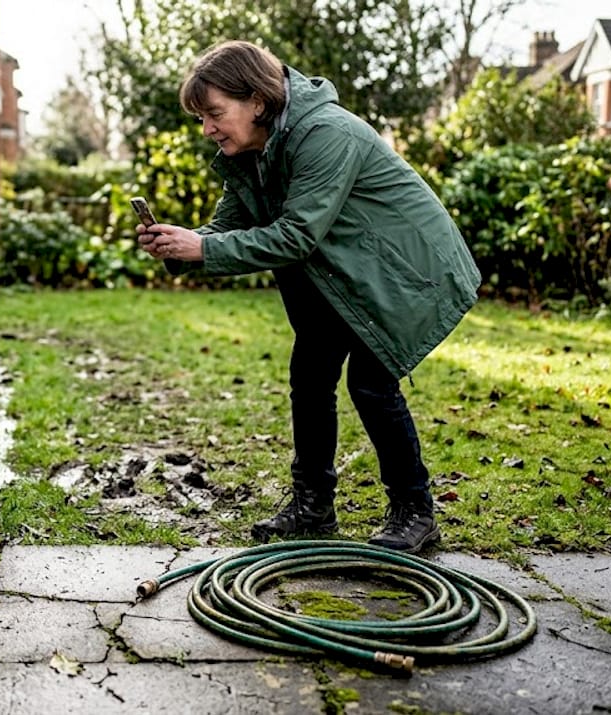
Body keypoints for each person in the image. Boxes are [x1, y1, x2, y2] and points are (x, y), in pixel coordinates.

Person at [136, 40, 481, 553]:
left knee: (371, 384)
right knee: (310, 374)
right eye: (202, 118)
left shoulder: (326, 133)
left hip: (406, 273)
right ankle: (313, 506)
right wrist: (179, 245)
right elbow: (227, 230)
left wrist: (203, 247)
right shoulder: (251, 152)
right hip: (341, 276)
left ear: (256, 100)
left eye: (214, 114)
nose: (207, 129)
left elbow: (296, 234)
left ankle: (415, 510)